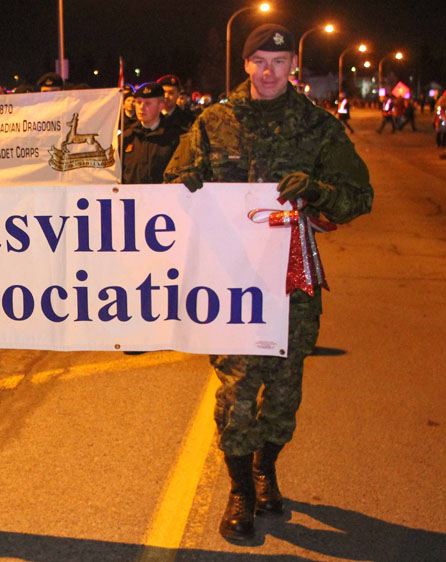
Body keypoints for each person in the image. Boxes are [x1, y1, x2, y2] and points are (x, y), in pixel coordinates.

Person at [164, 23, 373, 544]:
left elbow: (358, 196)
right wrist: (184, 186)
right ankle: (239, 490)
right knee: (236, 392)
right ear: (247, 65)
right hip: (229, 285)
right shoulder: (212, 122)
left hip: (290, 285)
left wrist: (319, 191)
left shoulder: (317, 127)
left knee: (283, 395)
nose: (270, 71)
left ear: (291, 69)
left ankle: (266, 469)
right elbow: (171, 186)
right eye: (260, 60)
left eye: (279, 63)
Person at [121, 82, 180, 184]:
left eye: (148, 103)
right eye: (139, 103)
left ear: (160, 106)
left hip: (161, 197)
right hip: (131, 197)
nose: (141, 108)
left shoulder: (174, 137)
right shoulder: (127, 136)